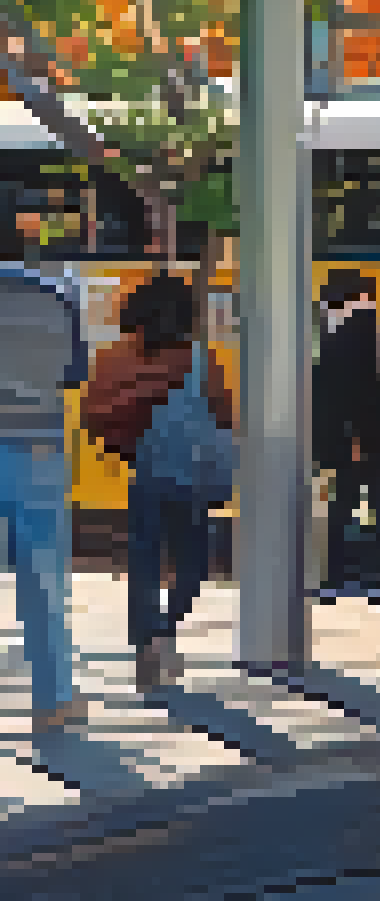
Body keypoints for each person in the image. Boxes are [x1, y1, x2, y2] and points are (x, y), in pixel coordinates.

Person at [83, 272, 235, 690]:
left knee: (145, 563)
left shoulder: (117, 358)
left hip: (147, 475)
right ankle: (167, 629)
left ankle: (147, 646)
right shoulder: (201, 359)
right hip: (194, 479)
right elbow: (225, 416)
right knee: (194, 562)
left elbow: (94, 416)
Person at [0, 248, 91, 730]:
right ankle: (53, 700)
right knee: (43, 582)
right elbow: (75, 375)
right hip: (36, 449)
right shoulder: (56, 295)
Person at [314, 270, 380, 615]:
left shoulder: (346, 335)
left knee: (344, 513)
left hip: (358, 442)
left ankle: (335, 582)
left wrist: (354, 439)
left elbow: (354, 393)